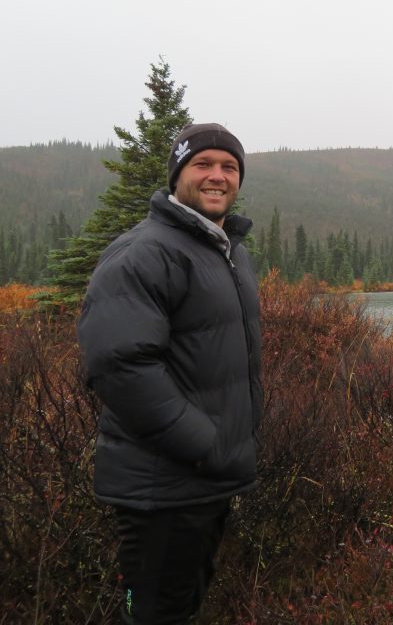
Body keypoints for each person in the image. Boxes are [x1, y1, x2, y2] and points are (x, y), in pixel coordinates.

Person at [77, 123, 262, 624]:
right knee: (156, 614)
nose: (217, 176)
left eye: (229, 167)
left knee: (182, 607)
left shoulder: (226, 252)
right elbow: (120, 366)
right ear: (178, 174)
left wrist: (221, 449)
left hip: (203, 482)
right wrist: (204, 443)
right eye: (203, 164)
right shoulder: (146, 253)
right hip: (163, 488)